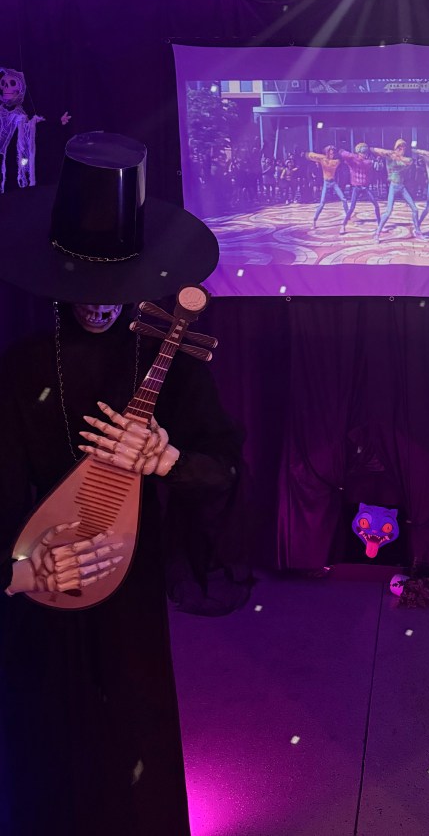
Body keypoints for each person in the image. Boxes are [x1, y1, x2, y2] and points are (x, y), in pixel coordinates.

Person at [0, 133, 242, 836]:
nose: (101, 306)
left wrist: (169, 461)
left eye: (116, 288)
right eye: (84, 287)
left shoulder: (169, 365)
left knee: (133, 745)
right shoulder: (17, 370)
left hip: (128, 597)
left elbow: (225, 470)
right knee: (46, 750)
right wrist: (22, 566)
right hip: (38, 609)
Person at [371, 139, 425, 241]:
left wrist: (399, 157)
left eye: (404, 148)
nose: (403, 150)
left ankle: (417, 231)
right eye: (400, 148)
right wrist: (391, 153)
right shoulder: (390, 157)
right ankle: (377, 233)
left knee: (415, 209)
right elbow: (374, 150)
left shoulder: (405, 159)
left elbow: (410, 161)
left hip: (402, 187)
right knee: (388, 211)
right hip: (393, 186)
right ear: (397, 148)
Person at [339, 143, 381, 235]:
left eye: (366, 152)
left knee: (376, 205)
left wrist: (372, 161)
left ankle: (380, 224)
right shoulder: (353, 160)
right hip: (356, 188)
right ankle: (343, 225)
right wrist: (354, 156)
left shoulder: (367, 162)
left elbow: (367, 163)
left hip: (365, 187)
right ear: (359, 152)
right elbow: (342, 153)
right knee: (352, 207)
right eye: (363, 152)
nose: (365, 154)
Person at [307, 145, 349, 226]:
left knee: (344, 199)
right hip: (326, 183)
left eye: (333, 153)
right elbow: (313, 156)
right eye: (330, 153)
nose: (332, 155)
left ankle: (348, 217)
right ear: (327, 153)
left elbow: (344, 158)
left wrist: (342, 152)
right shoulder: (323, 159)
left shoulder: (336, 161)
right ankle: (314, 220)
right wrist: (307, 154)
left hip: (333, 183)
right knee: (322, 203)